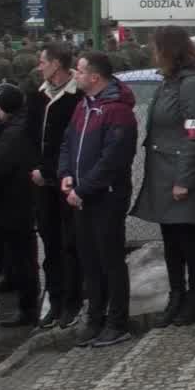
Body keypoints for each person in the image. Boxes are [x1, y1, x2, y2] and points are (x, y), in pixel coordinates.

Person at [131, 26, 195, 326]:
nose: (153, 54)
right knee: (171, 242)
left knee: (189, 242)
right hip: (162, 174)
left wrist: (184, 180)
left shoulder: (191, 84)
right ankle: (176, 295)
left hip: (180, 175)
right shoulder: (168, 82)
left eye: (157, 48)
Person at [59, 51, 138, 348]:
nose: (75, 74)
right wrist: (66, 173)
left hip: (106, 197)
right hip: (81, 196)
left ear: (94, 77)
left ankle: (117, 321)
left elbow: (113, 159)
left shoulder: (117, 111)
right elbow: (68, 142)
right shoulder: (84, 105)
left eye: (79, 71)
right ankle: (95, 317)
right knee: (89, 260)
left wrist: (84, 189)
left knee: (110, 259)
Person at [26, 41, 84, 330]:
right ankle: (56, 300)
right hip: (42, 182)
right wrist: (34, 168)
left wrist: (52, 170)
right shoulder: (37, 95)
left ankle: (74, 301)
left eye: (43, 62)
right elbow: (30, 136)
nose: (39, 66)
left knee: (70, 242)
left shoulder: (77, 96)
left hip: (67, 180)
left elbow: (74, 140)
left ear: (57, 64)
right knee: (49, 242)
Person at [0, 84, 41, 328]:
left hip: (14, 202)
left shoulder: (13, 133)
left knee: (22, 257)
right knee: (19, 254)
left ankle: (28, 310)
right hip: (19, 200)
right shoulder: (21, 126)